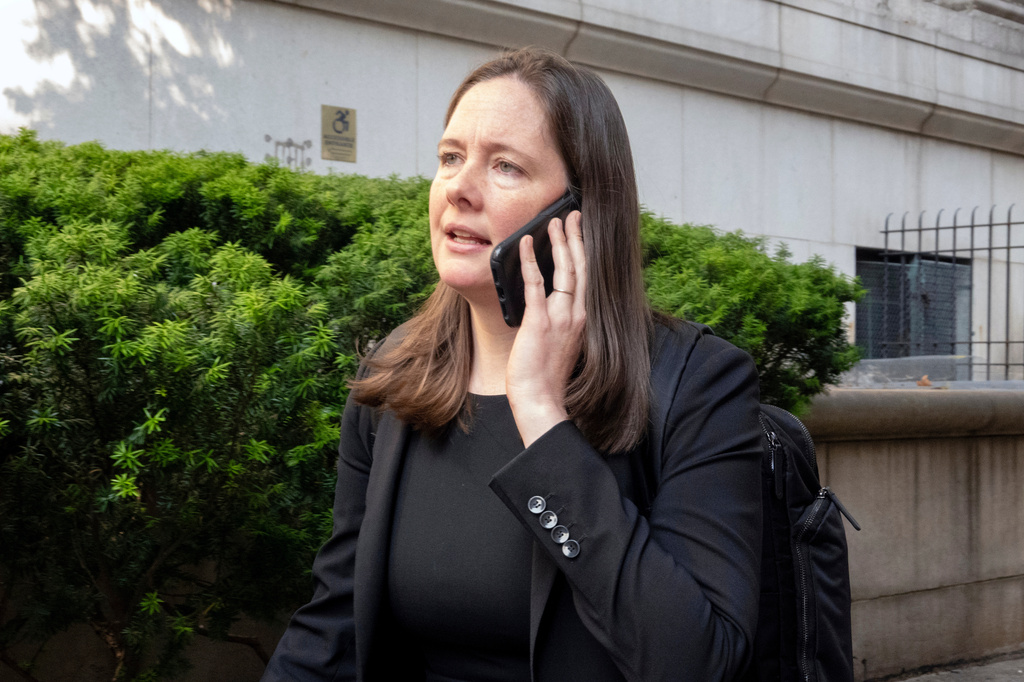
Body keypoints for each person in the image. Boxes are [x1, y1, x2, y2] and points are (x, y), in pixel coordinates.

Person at [262, 47, 763, 682]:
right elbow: (334, 629)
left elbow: (697, 662)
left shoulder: (697, 383)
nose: (459, 190)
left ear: (579, 213)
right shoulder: (393, 379)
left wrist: (542, 417)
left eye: (505, 166)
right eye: (450, 158)